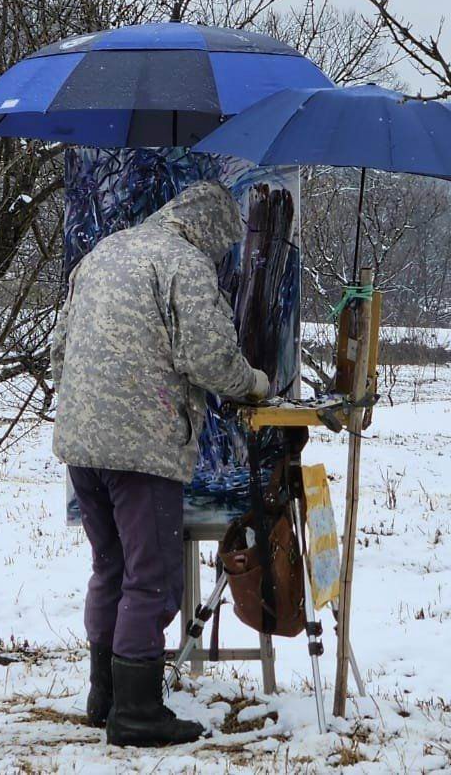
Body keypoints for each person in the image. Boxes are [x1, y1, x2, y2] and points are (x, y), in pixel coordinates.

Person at [51, 180, 270, 748]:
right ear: (213, 232)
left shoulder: (104, 253)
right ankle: (139, 713)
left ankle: (106, 697)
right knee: (151, 578)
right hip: (141, 448)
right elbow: (209, 357)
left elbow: (59, 346)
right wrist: (254, 384)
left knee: (112, 567)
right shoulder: (186, 265)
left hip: (81, 443)